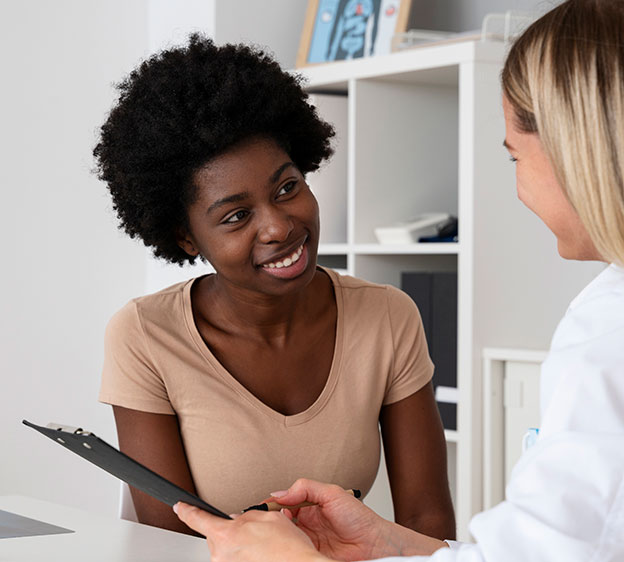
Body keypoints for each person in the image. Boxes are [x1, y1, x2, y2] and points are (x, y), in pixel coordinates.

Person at [172, 0, 624, 559]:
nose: (277, 227)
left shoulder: (609, 335)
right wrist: (384, 541)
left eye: (514, 158)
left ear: (578, 151)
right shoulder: (606, 311)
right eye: (236, 215)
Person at [93, 36, 455, 536]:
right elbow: (167, 543)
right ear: (185, 237)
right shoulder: (145, 335)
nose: (279, 226)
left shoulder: (388, 316)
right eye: (237, 215)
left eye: (288, 188)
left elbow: (427, 520)